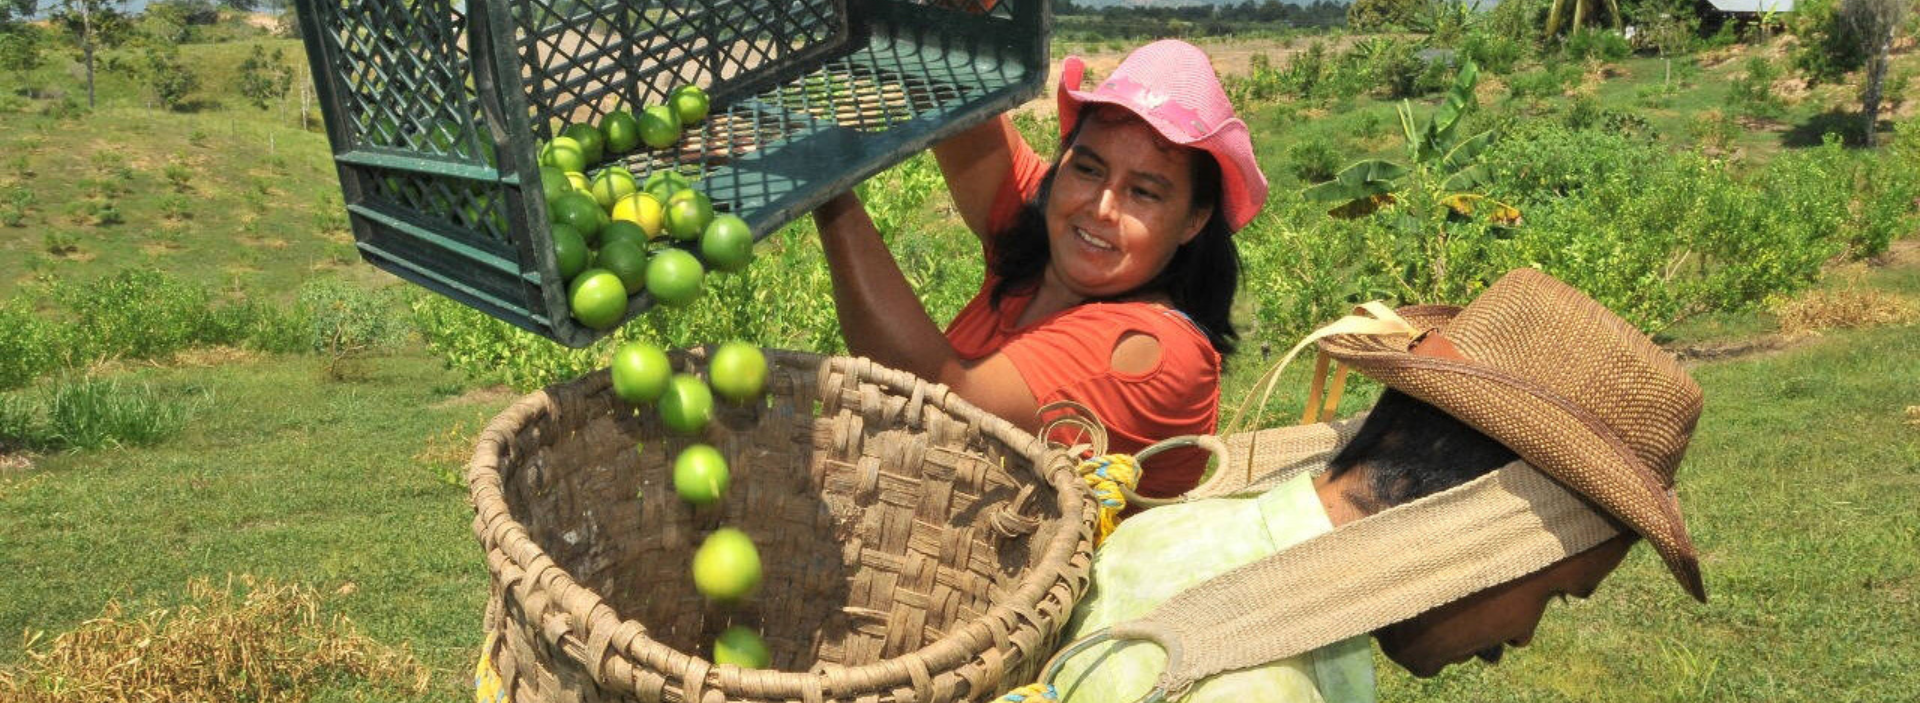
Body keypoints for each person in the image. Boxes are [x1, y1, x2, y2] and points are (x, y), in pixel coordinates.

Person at [1032, 268, 1707, 702]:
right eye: (1556, 592)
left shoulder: (1171, 528)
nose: (1526, 637)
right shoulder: (1261, 687)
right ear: (1490, 530)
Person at [812, 40, 1270, 498]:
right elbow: (945, 75)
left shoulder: (1150, 351)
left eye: (1144, 193)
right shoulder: (1050, 231)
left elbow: (941, 395)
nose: (1101, 207)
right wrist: (943, 22)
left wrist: (827, 189)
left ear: (1194, 218)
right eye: (1088, 169)